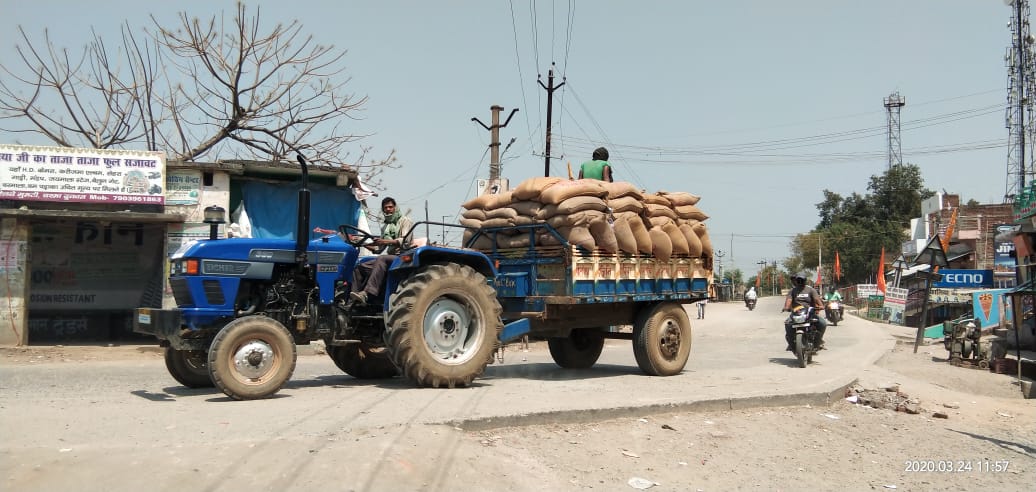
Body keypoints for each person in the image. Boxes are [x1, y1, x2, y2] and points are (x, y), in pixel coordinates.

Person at [349, 197, 414, 305]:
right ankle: (354, 300)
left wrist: (383, 241)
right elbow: (378, 249)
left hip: (403, 256)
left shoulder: (405, 221)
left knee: (382, 259)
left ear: (395, 207)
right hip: (391, 258)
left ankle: (367, 293)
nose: (388, 209)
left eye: (390, 207)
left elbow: (404, 240)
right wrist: (363, 243)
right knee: (359, 267)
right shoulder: (386, 227)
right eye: (385, 208)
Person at [782, 272, 827, 351]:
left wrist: (821, 306)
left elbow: (816, 299)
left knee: (822, 323)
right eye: (798, 280)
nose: (799, 281)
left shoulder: (810, 290)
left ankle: (818, 341)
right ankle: (791, 343)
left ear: (805, 280)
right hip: (796, 313)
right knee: (788, 324)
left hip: (809, 312)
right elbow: (789, 300)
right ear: (796, 281)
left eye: (801, 280)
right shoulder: (792, 291)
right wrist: (786, 307)